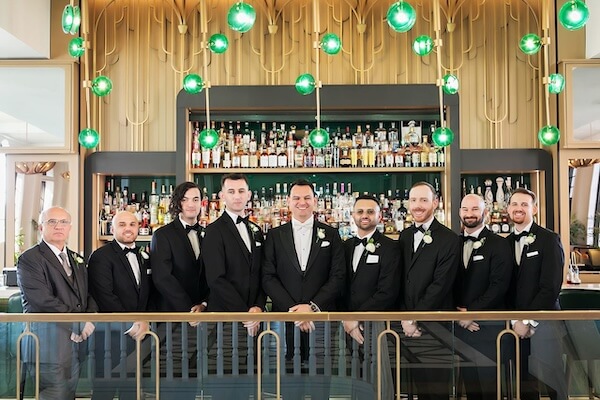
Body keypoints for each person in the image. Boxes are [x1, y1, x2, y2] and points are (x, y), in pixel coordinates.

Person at [16, 206, 98, 400]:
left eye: (63, 222)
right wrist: (78, 323)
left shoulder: (76, 259)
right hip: (46, 345)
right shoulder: (29, 259)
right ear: (41, 228)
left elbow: (88, 294)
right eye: (52, 222)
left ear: (70, 227)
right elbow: (42, 301)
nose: (58, 226)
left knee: (69, 395)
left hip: (76, 346)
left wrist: (92, 317)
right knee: (54, 395)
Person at [262, 178, 345, 362]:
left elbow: (338, 276)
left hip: (322, 317)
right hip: (284, 318)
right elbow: (268, 277)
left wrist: (312, 307)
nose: (302, 202)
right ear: (288, 202)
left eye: (307, 197)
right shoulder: (275, 236)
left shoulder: (331, 234)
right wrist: (294, 311)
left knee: (322, 372)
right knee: (286, 376)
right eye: (296, 198)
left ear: (315, 201)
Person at [397, 181, 461, 400]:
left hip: (435, 326)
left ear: (435, 203)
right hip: (405, 327)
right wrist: (406, 318)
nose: (417, 205)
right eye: (413, 200)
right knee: (409, 389)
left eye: (423, 200)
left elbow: (440, 285)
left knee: (436, 389)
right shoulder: (404, 236)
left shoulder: (449, 239)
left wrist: (416, 318)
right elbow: (400, 280)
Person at [150, 181, 209, 399]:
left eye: (195, 199)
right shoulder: (163, 234)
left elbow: (213, 275)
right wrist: (188, 308)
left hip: (202, 316)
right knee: (172, 378)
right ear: (177, 203)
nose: (191, 204)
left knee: (195, 375)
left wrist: (204, 304)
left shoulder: (208, 233)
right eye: (185, 199)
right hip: (173, 317)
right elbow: (162, 277)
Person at [505, 187, 566, 400]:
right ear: (508, 209)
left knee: (553, 386)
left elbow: (551, 286)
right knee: (523, 386)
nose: (518, 208)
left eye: (524, 204)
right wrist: (515, 320)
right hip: (514, 329)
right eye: (514, 204)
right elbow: (504, 288)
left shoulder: (549, 239)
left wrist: (527, 320)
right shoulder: (504, 243)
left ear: (535, 209)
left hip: (546, 325)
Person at [88, 210, 152, 400]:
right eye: (122, 225)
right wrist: (132, 322)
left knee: (131, 392)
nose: (128, 229)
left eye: (132, 224)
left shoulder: (143, 255)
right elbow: (104, 296)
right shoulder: (101, 256)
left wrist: (144, 321)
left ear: (138, 227)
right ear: (112, 228)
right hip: (110, 337)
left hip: (139, 336)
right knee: (104, 392)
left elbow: (147, 294)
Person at [454, 194, 512, 399]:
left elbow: (499, 286)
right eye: (465, 209)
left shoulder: (499, 244)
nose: (469, 214)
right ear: (459, 212)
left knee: (490, 387)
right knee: (471, 388)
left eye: (474, 209)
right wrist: (460, 316)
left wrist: (472, 313)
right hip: (461, 329)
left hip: (489, 327)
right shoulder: (454, 243)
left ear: (485, 213)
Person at [342, 194, 399, 399]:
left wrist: (356, 318)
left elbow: (388, 291)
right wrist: (346, 319)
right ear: (352, 215)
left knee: (377, 377)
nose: (364, 216)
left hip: (375, 323)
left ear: (380, 216)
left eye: (370, 212)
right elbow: (339, 285)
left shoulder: (391, 248)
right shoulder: (346, 246)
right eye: (360, 211)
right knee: (352, 378)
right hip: (345, 326)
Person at [202, 173, 265, 332]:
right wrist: (244, 314)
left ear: (249, 195)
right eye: (231, 192)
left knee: (256, 357)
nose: (237, 196)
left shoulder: (256, 230)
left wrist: (257, 307)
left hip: (256, 318)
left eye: (241, 191)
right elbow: (216, 278)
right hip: (225, 318)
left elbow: (262, 273)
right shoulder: (213, 231)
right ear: (222, 196)